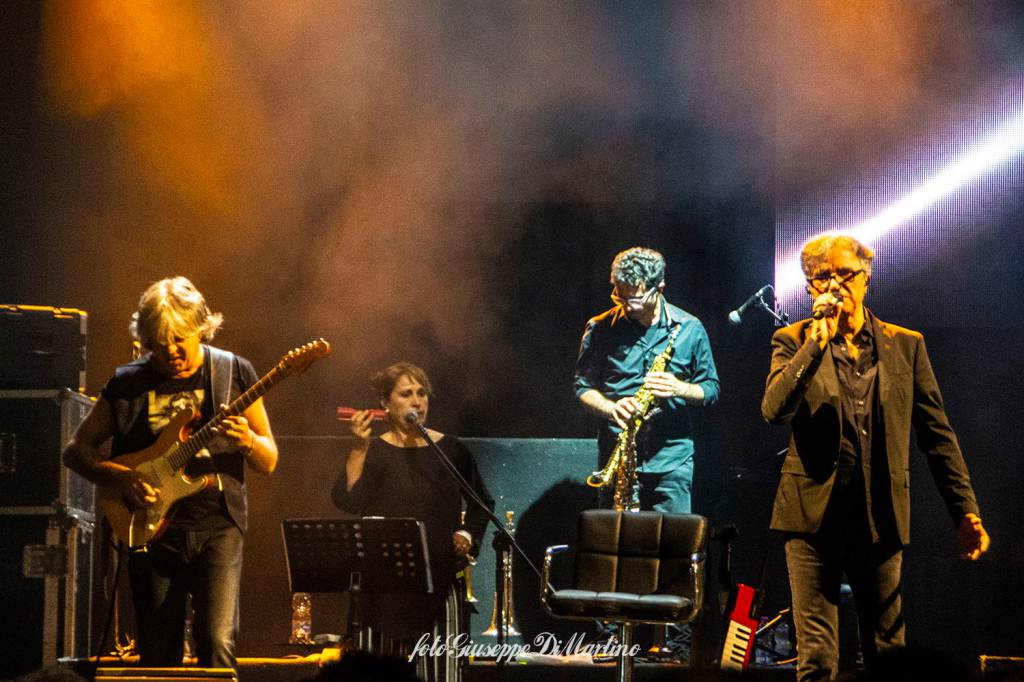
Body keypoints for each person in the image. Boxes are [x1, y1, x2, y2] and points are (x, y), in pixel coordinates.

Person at [762, 234, 990, 681]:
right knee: (817, 661)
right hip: (811, 521)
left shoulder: (906, 345)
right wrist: (816, 345)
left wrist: (965, 510)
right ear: (809, 288)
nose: (834, 286)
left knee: (887, 653)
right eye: (822, 277)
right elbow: (774, 410)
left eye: (845, 274)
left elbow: (938, 436)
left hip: (879, 517)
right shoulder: (792, 341)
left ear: (866, 279)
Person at [62, 276, 277, 670]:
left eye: (180, 339)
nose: (172, 352)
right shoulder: (127, 383)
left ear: (201, 327)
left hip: (218, 526)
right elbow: (75, 451)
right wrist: (121, 477)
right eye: (159, 345)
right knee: (158, 652)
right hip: (150, 531)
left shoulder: (233, 372)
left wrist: (247, 440)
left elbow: (269, 460)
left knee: (216, 642)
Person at [573, 246, 720, 658]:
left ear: (659, 288)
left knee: (677, 551)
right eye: (619, 295)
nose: (626, 305)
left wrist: (679, 388)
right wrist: (609, 406)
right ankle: (610, 644)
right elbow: (582, 386)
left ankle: (675, 646)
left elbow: (711, 389)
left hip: (672, 457)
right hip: (620, 456)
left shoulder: (689, 329)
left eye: (634, 297)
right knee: (611, 551)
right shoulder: (599, 327)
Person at [332, 362, 494, 680]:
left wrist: (468, 534)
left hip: (438, 584)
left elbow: (481, 503)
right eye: (406, 394)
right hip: (380, 591)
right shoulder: (374, 450)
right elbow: (347, 500)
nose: (417, 401)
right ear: (385, 404)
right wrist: (359, 447)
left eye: (422, 393)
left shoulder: (451, 450)